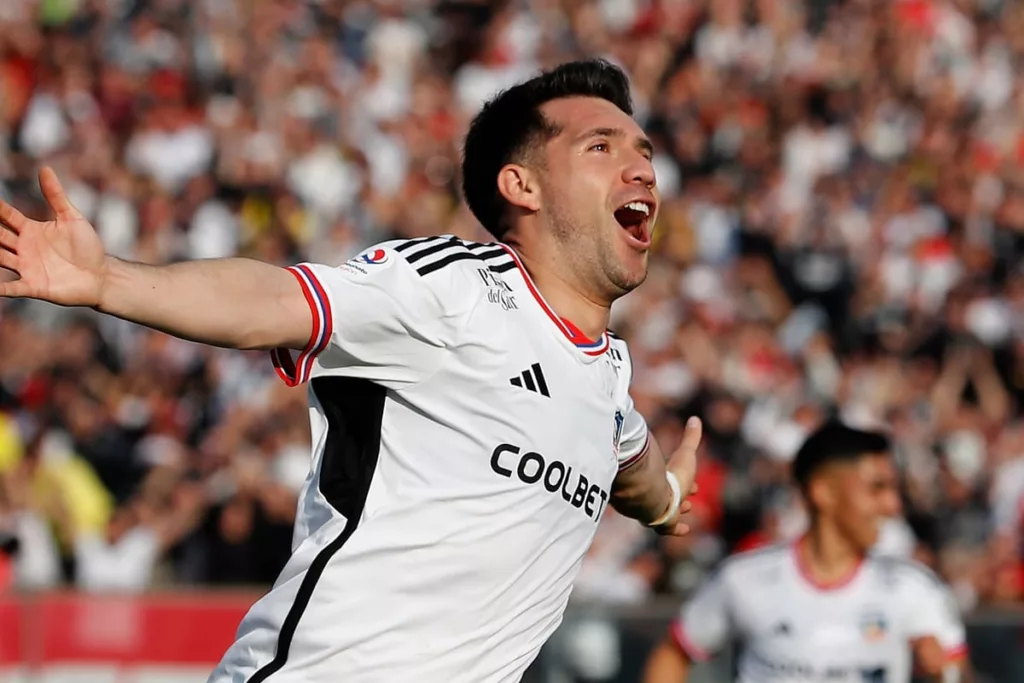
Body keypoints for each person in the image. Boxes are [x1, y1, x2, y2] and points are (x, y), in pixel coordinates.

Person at [0, 60, 700, 683]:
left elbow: (626, 454)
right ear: (521, 184)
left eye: (643, 151)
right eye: (601, 148)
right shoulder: (452, 290)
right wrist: (108, 280)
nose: (640, 168)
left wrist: (665, 499)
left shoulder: (607, 377)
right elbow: (273, 301)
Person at [642, 420, 970, 683]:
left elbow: (957, 670)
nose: (893, 505)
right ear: (822, 492)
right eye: (877, 488)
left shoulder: (915, 589)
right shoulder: (743, 579)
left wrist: (944, 674)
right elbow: (675, 651)